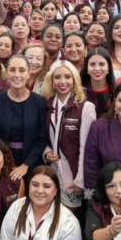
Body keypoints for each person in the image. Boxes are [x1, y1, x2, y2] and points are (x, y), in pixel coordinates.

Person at [40, 59, 95, 211]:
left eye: (67, 77)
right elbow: (42, 137)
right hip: (53, 171)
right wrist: (46, 152)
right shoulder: (46, 105)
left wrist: (80, 180)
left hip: (74, 174)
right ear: (51, 81)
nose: (62, 82)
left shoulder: (85, 107)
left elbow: (87, 148)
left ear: (74, 79)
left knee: (72, 215)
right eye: (57, 77)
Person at [0, 54, 48, 177]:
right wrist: (5, 163)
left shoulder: (39, 102)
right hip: (1, 165)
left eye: (22, 70)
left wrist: (26, 165)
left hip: (32, 164)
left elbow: (41, 139)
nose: (17, 74)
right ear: (6, 73)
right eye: (12, 70)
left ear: (28, 73)